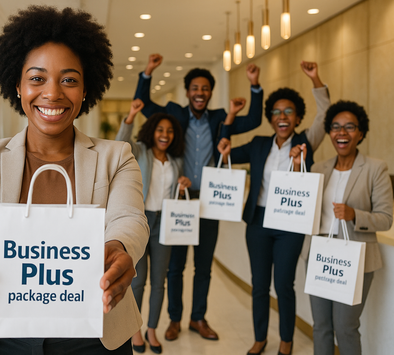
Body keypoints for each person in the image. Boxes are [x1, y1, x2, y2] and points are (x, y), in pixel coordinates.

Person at [0, 6, 149, 354]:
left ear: (86, 89)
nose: (53, 93)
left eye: (69, 79)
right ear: (18, 85)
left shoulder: (118, 157)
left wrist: (120, 247)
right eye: (37, 78)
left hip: (93, 332)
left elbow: (129, 218)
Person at [134, 53, 264, 342]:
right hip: (178, 198)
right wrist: (148, 72)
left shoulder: (220, 118)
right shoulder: (174, 113)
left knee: (204, 265)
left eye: (205, 89)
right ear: (187, 92)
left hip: (210, 200)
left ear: (210, 93)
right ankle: (174, 319)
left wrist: (255, 86)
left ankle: (198, 318)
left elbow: (254, 120)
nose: (200, 93)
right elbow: (143, 105)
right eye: (195, 88)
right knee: (175, 266)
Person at [217, 62, 330, 355]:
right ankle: (259, 338)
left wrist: (315, 79)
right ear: (270, 118)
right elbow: (224, 147)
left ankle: (286, 341)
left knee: (284, 284)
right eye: (277, 112)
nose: (282, 116)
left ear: (297, 117)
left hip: (290, 223)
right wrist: (230, 120)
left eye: (289, 111)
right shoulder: (258, 144)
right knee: (259, 285)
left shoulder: (307, 142)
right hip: (258, 222)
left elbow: (326, 115)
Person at [309, 101, 393, 355]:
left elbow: (386, 218)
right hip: (320, 253)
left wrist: (354, 214)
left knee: (345, 326)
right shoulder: (317, 168)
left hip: (354, 257)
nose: (341, 133)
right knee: (321, 326)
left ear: (361, 132)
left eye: (349, 127)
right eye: (335, 127)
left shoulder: (375, 169)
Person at [116, 99, 191, 354]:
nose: (165, 135)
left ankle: (151, 329)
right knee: (138, 281)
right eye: (160, 130)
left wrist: (182, 186)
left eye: (169, 131)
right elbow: (120, 144)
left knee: (160, 281)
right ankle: (135, 330)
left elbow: (174, 192)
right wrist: (131, 116)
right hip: (141, 219)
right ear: (152, 131)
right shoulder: (139, 151)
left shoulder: (175, 160)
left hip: (165, 221)